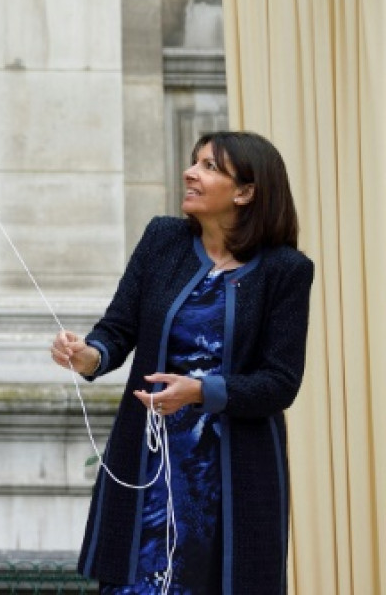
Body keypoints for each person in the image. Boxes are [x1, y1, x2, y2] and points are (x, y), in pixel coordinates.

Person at [51, 131, 314, 594]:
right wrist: (86, 355)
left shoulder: (286, 270)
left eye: (210, 166)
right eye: (194, 162)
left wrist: (200, 392)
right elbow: (117, 330)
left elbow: (280, 382)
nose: (190, 172)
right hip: (148, 467)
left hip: (234, 474)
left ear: (246, 191)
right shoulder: (162, 240)